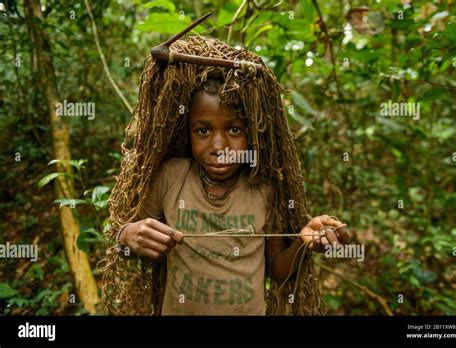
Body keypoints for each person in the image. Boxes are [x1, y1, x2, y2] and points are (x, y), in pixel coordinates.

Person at [101, 36, 351, 316]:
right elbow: (121, 233)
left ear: (253, 132)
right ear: (188, 132)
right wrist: (128, 234)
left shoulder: (263, 187)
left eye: (234, 130)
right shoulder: (171, 176)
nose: (218, 147)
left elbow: (279, 271)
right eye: (203, 131)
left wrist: (305, 243)